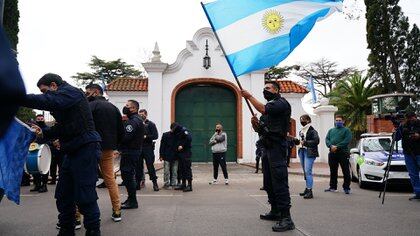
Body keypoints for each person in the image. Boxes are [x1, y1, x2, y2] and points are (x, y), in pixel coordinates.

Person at [23, 73, 101, 236]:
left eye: (45, 91)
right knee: (63, 194)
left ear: (53, 85)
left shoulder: (71, 92)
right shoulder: (64, 101)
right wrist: (41, 133)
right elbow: (61, 128)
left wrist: (18, 97)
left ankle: (93, 230)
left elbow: (50, 101)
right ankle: (66, 229)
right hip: (72, 150)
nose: (44, 95)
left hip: (85, 148)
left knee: (85, 194)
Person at [241, 82, 295, 232]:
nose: (265, 90)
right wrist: (255, 124)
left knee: (279, 180)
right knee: (269, 182)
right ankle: (275, 210)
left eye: (268, 88)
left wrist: (249, 96)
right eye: (264, 88)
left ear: (276, 90)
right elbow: (261, 130)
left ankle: (286, 218)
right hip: (267, 148)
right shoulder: (268, 111)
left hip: (277, 148)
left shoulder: (280, 104)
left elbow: (262, 108)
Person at [85, 84, 125, 221]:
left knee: (85, 179)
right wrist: (117, 147)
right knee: (110, 179)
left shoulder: (89, 107)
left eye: (88, 92)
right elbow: (121, 130)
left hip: (90, 147)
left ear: (95, 92)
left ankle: (78, 215)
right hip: (108, 149)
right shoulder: (113, 108)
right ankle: (117, 210)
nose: (86, 94)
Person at [119, 100, 145, 209]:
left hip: (130, 152)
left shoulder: (133, 121)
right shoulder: (135, 120)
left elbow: (126, 137)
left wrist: (117, 143)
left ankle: (133, 201)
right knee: (128, 175)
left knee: (128, 176)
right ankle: (131, 199)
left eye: (127, 106)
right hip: (132, 151)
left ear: (133, 108)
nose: (125, 107)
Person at [325, 114, 352, 194]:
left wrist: (337, 147)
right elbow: (327, 139)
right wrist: (330, 145)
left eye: (340, 120)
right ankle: (333, 187)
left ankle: (346, 187)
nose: (338, 122)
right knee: (333, 171)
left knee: (346, 171)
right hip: (332, 153)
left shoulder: (346, 130)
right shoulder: (331, 130)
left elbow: (347, 140)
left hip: (343, 153)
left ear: (343, 121)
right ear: (334, 121)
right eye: (336, 120)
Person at [396, 111, 420, 201]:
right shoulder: (403, 126)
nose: (411, 120)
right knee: (413, 174)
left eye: (412, 118)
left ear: (415, 116)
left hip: (419, 152)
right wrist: (396, 129)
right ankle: (418, 193)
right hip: (408, 153)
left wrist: (418, 136)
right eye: (409, 118)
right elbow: (396, 138)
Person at [297, 115, 319, 199]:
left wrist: (305, 143)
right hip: (301, 151)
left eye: (303, 120)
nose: (302, 121)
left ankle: (310, 191)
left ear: (308, 120)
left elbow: (316, 141)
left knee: (308, 171)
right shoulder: (302, 130)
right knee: (305, 171)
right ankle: (307, 188)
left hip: (309, 152)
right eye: (301, 119)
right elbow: (301, 141)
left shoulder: (312, 131)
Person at [137, 109, 159, 191]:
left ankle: (155, 183)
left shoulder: (151, 124)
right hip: (139, 147)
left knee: (150, 166)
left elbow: (155, 136)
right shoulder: (138, 124)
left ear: (146, 115)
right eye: (140, 114)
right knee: (138, 167)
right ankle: (138, 183)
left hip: (148, 148)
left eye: (142, 114)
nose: (141, 116)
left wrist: (146, 137)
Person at [29, 114, 50, 193]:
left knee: (44, 168)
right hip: (35, 149)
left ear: (44, 120)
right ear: (36, 119)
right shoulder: (33, 129)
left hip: (44, 150)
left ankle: (44, 185)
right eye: (38, 119)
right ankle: (37, 184)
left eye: (42, 119)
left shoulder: (47, 129)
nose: (40, 120)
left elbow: (50, 139)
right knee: (35, 167)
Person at [173, 123, 193, 192]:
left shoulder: (184, 130)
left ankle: (189, 185)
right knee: (181, 169)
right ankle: (183, 184)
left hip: (186, 153)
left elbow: (189, 138)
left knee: (187, 169)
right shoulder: (178, 132)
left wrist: (182, 145)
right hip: (180, 154)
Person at [159, 124, 178, 189]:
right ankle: (166, 183)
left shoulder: (178, 135)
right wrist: (161, 155)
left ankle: (173, 183)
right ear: (171, 128)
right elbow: (162, 146)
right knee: (166, 171)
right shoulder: (165, 135)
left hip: (175, 156)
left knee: (174, 171)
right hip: (167, 155)